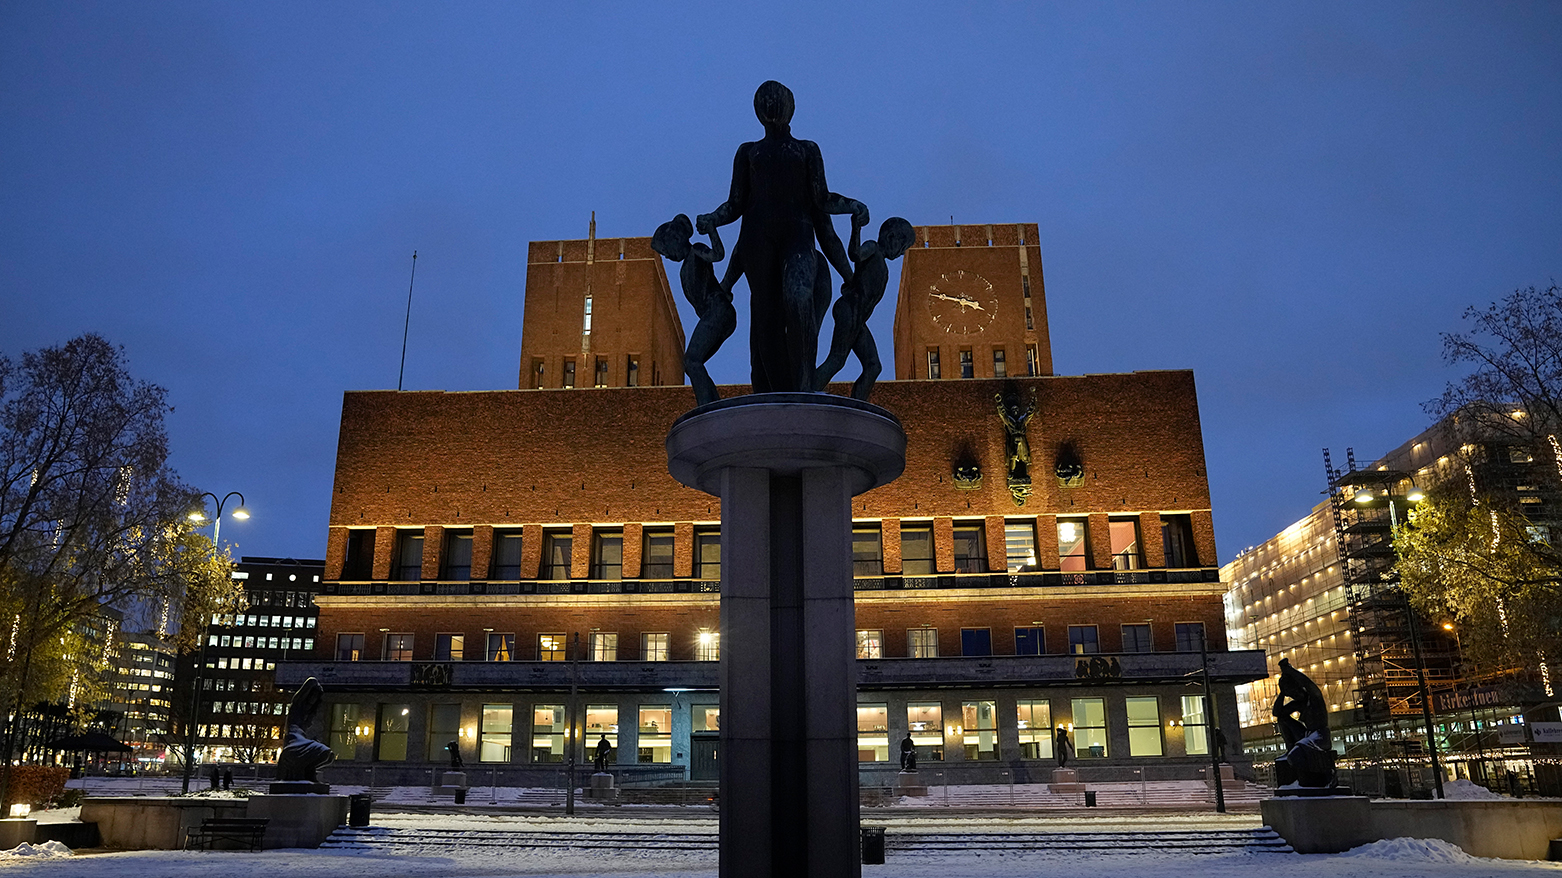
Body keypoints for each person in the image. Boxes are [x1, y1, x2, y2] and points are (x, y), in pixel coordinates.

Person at [699, 81, 866, 393]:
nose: (770, 106)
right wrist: (713, 219)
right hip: (757, 242)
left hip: (797, 237)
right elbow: (736, 204)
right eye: (764, 101)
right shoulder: (748, 153)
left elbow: (823, 201)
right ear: (758, 111)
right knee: (765, 316)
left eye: (776, 100)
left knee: (798, 295)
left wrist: (853, 211)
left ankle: (804, 386)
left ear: (790, 108)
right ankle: (772, 392)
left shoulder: (806, 150)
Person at [814, 216, 914, 399]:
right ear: (892, 237)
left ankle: (857, 405)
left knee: (873, 365)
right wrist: (856, 228)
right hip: (850, 310)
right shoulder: (872, 248)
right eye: (903, 247)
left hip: (857, 317)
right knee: (837, 359)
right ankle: (805, 392)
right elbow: (855, 254)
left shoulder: (883, 266)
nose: (901, 254)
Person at [651, 214, 736, 406]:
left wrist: (712, 229)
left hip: (718, 310)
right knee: (692, 364)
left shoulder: (696, 250)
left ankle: (707, 406)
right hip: (715, 313)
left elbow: (718, 255)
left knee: (691, 361)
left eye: (666, 250)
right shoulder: (684, 270)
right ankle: (714, 405)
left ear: (676, 239)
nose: (667, 256)